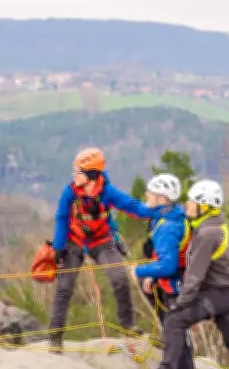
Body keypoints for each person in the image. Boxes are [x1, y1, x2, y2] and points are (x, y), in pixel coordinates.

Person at [140, 179, 229, 369]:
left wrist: (182, 304)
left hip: (220, 293)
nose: (187, 204)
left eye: (192, 201)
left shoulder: (207, 234)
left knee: (174, 320)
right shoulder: (213, 225)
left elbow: (194, 277)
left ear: (204, 206)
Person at [48, 147, 157, 354]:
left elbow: (134, 208)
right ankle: (55, 336)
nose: (74, 174)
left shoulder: (107, 192)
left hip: (102, 241)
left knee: (120, 278)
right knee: (64, 288)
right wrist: (59, 248)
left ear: (90, 175)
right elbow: (62, 218)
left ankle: (128, 326)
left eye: (78, 171)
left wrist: (160, 208)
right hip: (74, 241)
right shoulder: (70, 190)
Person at [132, 174, 196, 369]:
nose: (146, 195)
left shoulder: (168, 226)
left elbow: (168, 265)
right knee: (174, 329)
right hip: (172, 282)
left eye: (150, 192)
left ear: (161, 198)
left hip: (175, 285)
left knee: (175, 331)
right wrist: (151, 275)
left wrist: (140, 271)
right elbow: (163, 256)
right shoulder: (170, 215)